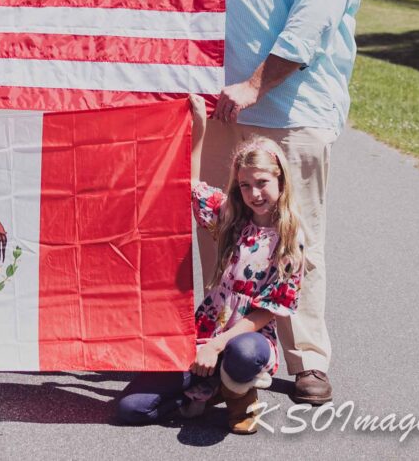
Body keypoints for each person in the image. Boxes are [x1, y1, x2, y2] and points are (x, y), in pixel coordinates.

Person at [199, 0, 367, 405]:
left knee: (297, 237)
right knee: (222, 226)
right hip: (228, 105)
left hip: (292, 109)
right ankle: (220, 339)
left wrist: (253, 87)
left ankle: (308, 359)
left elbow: (310, 27)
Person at [116, 96, 304, 434]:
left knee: (243, 354)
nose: (254, 193)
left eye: (262, 182)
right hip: (206, 331)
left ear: (280, 180)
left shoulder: (290, 237)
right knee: (131, 408)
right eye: (245, 185)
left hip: (249, 336)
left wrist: (220, 345)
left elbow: (269, 311)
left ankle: (238, 391)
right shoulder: (231, 218)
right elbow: (188, 186)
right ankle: (202, 394)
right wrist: (198, 128)